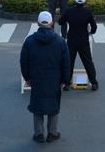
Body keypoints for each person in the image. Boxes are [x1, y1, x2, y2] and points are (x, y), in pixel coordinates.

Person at [20, 11, 70, 144]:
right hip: (55, 79)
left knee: (37, 106)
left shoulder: (29, 41)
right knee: (53, 106)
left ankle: (39, 134)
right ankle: (52, 133)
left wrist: (27, 77)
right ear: (52, 23)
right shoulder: (60, 41)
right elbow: (66, 63)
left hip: (36, 78)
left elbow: (23, 61)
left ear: (37, 23)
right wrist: (65, 80)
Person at [58, 0, 99, 92]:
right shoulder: (88, 12)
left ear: (75, 1)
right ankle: (93, 83)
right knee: (88, 62)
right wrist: (90, 32)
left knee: (69, 62)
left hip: (71, 40)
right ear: (84, 2)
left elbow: (60, 21)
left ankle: (66, 84)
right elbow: (94, 27)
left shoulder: (69, 11)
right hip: (83, 40)